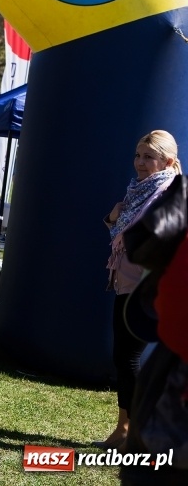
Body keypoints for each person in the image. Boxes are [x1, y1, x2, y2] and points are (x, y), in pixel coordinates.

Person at [95, 130, 181, 450]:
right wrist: (114, 219)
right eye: (138, 155)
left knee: (130, 356)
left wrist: (114, 218)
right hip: (127, 278)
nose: (141, 163)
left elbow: (143, 236)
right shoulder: (140, 190)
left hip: (149, 284)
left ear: (167, 161)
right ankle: (127, 427)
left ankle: (134, 430)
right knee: (125, 356)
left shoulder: (167, 193)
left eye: (149, 157)